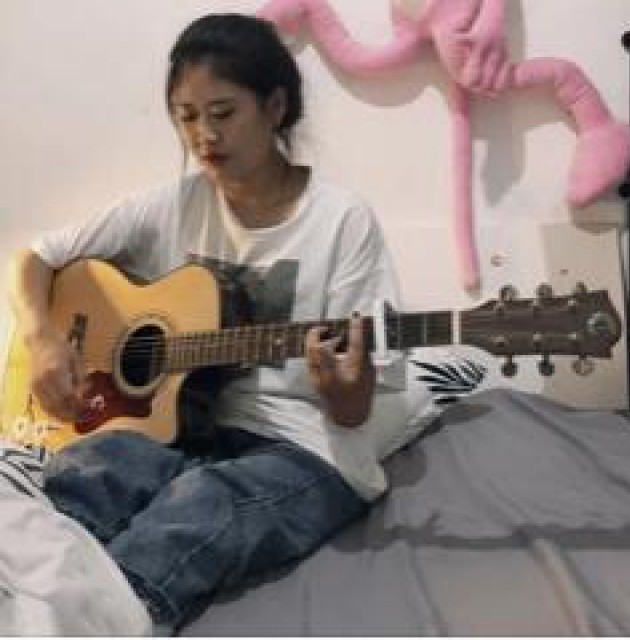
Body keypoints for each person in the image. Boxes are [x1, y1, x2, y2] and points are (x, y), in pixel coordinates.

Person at [7, 12, 402, 634]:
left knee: (199, 510)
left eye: (222, 113)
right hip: (187, 431)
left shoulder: (343, 220)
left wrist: (344, 391)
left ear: (275, 107)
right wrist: (43, 338)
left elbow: (355, 412)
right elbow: (35, 258)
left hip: (304, 449)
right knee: (88, 474)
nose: (203, 136)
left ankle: (91, 621)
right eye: (186, 117)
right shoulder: (174, 203)